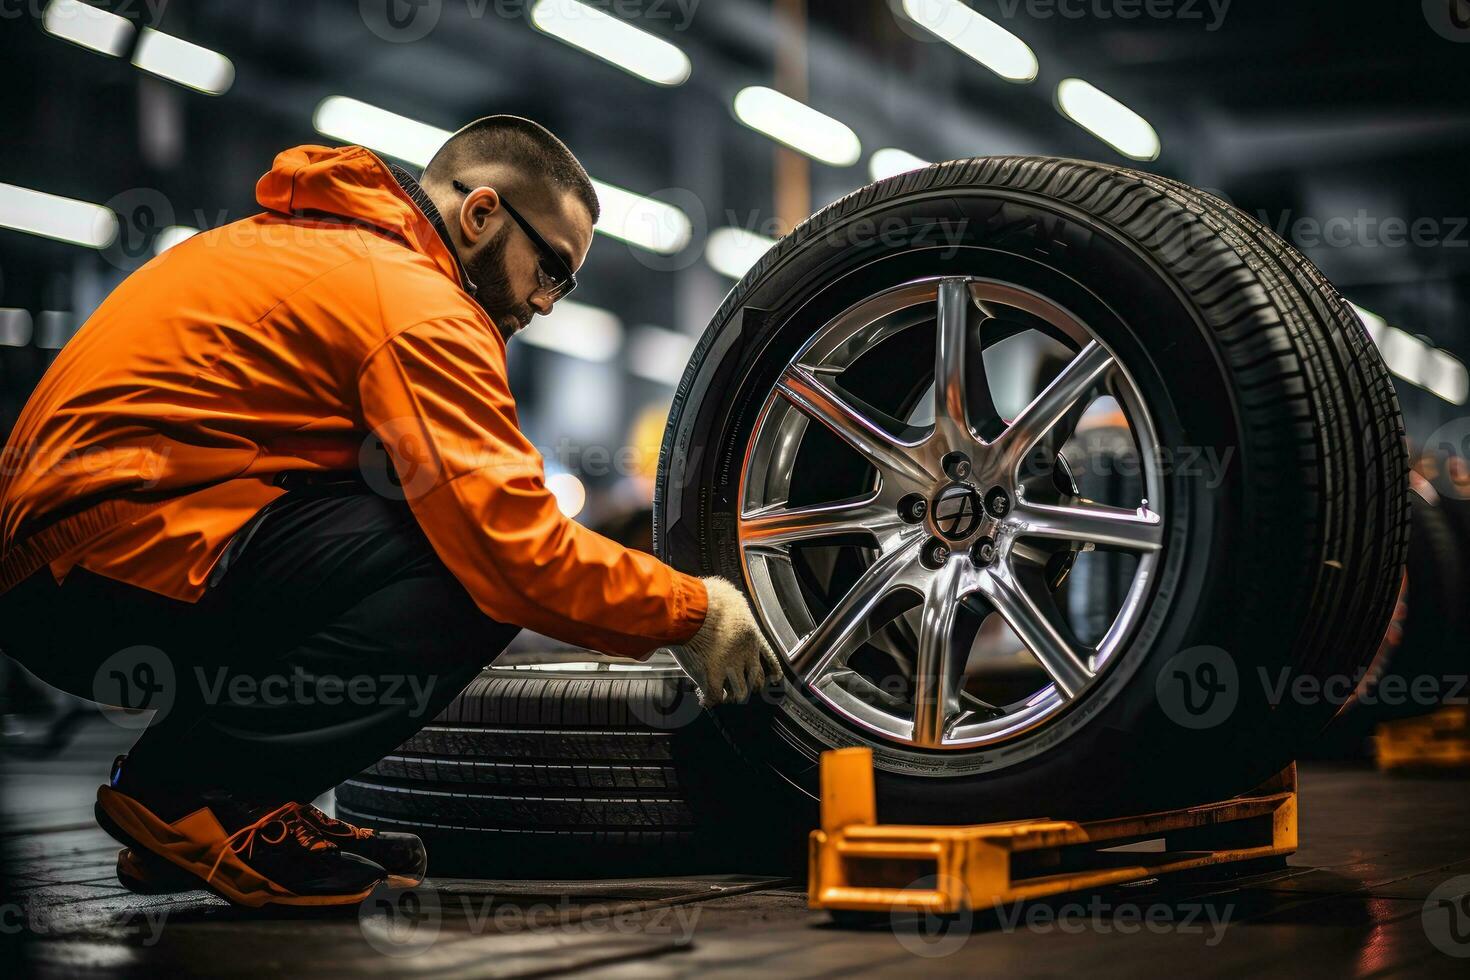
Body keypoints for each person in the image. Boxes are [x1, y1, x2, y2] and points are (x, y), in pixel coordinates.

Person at [0, 116, 780, 908]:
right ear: (480, 214)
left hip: (76, 560)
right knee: (464, 562)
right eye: (551, 270)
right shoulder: (418, 302)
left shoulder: (318, 249)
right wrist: (695, 612)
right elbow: (517, 552)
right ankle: (201, 791)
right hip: (102, 561)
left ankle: (196, 807)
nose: (546, 303)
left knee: (416, 510)